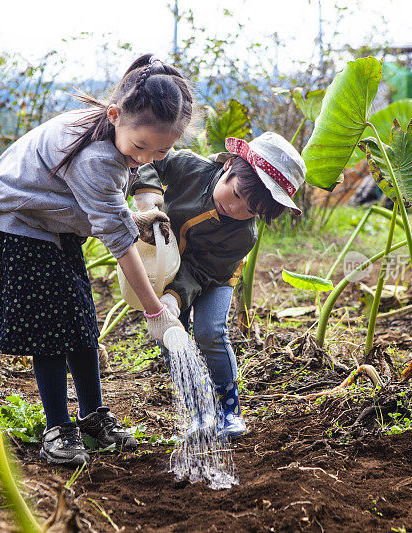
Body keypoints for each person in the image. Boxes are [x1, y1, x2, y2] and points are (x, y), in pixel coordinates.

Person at [0, 54, 191, 466]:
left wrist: (133, 214)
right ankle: (58, 427)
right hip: (17, 221)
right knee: (51, 328)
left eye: (161, 151)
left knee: (81, 318)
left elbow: (107, 205)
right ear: (114, 115)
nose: (146, 157)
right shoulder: (97, 158)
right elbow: (116, 238)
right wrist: (154, 310)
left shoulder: (114, 134)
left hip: (54, 219)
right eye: (141, 146)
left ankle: (93, 417)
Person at [131, 132, 306, 439]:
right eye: (236, 194)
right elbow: (152, 161)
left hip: (213, 277)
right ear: (228, 168)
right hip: (166, 264)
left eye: (250, 210)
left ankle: (229, 409)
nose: (236, 210)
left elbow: (200, 271)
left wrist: (174, 296)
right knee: (171, 336)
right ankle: (197, 410)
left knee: (210, 332)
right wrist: (147, 194)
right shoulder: (190, 167)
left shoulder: (243, 236)